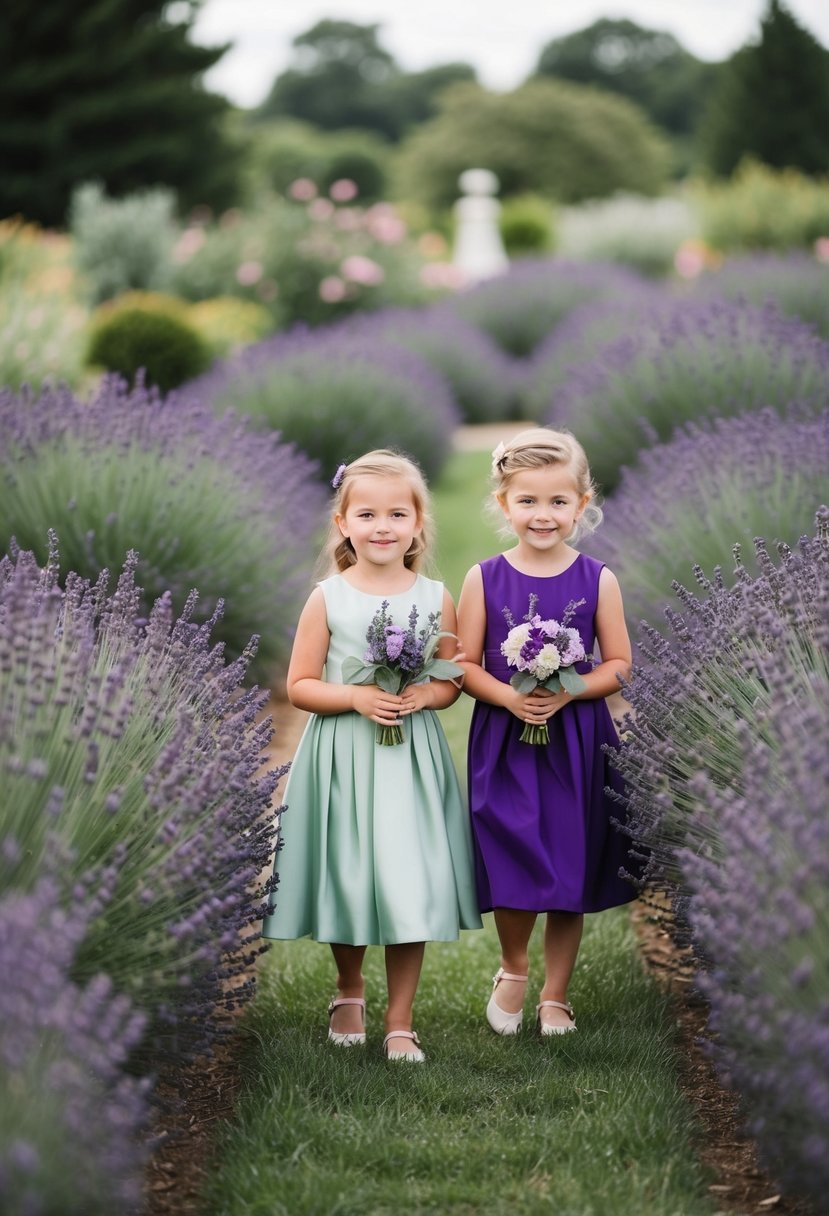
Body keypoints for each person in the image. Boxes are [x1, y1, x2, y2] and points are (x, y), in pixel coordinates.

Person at [262, 450, 481, 1061]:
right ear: (343, 524)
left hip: (409, 758)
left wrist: (425, 695)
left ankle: (402, 1019)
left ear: (417, 525)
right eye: (367, 514)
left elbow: (452, 680)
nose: (382, 526)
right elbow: (302, 685)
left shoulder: (435, 597)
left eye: (396, 514)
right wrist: (357, 697)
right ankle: (350, 988)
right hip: (344, 758)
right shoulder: (327, 599)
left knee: (408, 878)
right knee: (350, 872)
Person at [456, 427, 636, 1037]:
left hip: (577, 741)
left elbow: (617, 665)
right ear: (504, 504)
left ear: (582, 504)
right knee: (510, 851)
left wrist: (570, 688)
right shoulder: (483, 578)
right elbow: (463, 665)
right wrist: (511, 696)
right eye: (528, 501)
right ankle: (513, 965)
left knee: (568, 863)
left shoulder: (597, 579)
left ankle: (555, 995)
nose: (543, 514)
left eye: (558, 501)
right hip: (507, 739)